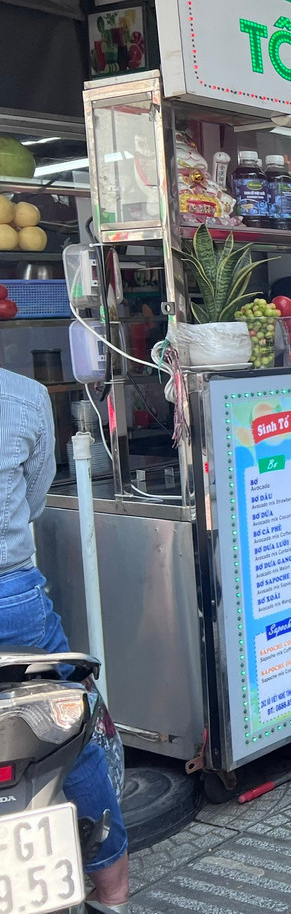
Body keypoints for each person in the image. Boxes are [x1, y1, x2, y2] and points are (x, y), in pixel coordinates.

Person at [0, 368, 129, 912]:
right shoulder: (22, 396)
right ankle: (113, 889)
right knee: (64, 732)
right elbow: (32, 502)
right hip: (12, 596)